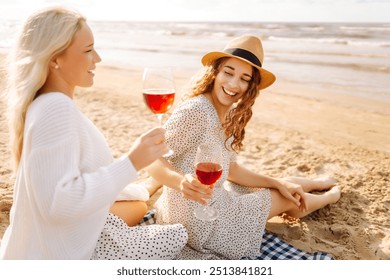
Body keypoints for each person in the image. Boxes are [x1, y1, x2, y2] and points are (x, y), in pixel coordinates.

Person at [0, 6, 187, 260]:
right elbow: (59, 204)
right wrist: (132, 161)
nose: (97, 58)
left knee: (139, 204)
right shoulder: (56, 109)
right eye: (88, 50)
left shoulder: (42, 103)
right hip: (62, 257)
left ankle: (148, 187)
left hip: (48, 243)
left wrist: (137, 180)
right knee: (177, 235)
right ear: (55, 59)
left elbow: (65, 183)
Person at [146, 34, 341, 259]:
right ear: (215, 72)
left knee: (281, 186)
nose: (233, 84)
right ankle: (330, 197)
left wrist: (275, 181)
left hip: (210, 202)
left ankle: (315, 184)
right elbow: (151, 158)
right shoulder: (196, 111)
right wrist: (180, 181)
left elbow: (232, 170)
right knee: (288, 198)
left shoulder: (225, 114)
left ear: (250, 85)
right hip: (199, 222)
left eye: (244, 78)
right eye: (228, 73)